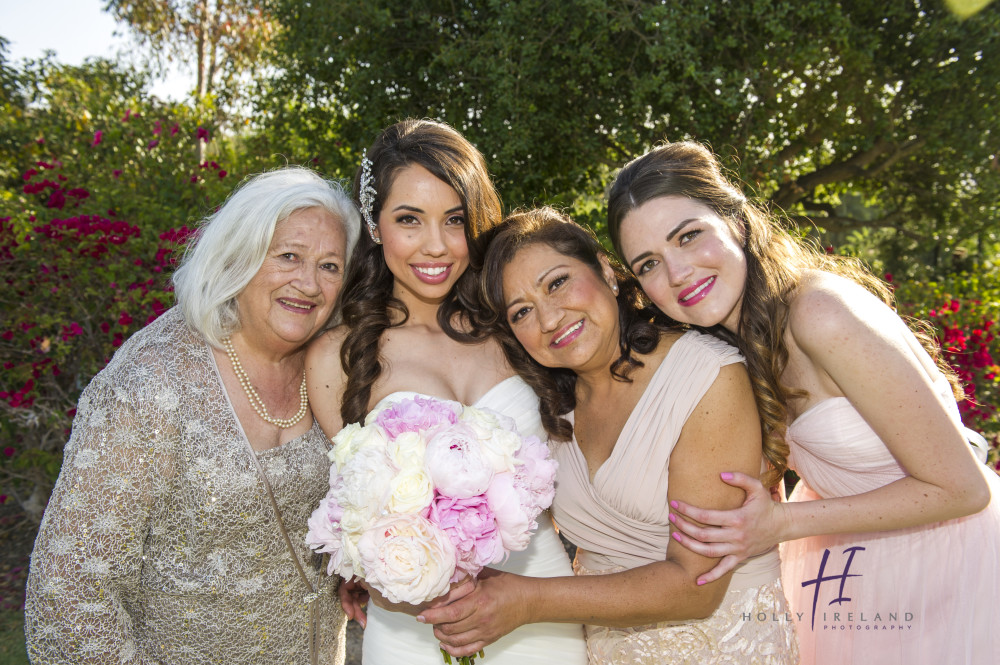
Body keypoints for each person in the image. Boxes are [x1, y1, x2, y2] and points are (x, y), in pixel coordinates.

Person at [605, 141, 1000, 664]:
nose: (676, 273)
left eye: (689, 236)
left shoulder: (818, 313)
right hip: (857, 572)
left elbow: (964, 488)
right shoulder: (730, 346)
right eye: (650, 263)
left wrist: (781, 524)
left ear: (736, 223)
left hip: (953, 567)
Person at [421, 207, 799, 665]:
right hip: (603, 651)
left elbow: (696, 586)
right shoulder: (552, 409)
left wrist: (526, 600)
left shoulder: (706, 377)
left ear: (605, 270)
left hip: (724, 646)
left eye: (557, 283)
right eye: (522, 312)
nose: (548, 318)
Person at [24, 167, 361, 665]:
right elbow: (67, 591)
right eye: (288, 256)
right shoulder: (149, 385)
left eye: (330, 266)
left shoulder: (333, 363)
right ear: (238, 255)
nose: (308, 283)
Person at [305, 120, 588, 665]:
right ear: (375, 225)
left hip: (541, 611)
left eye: (454, 220)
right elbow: (354, 517)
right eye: (409, 219)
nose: (435, 245)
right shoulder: (338, 356)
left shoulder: (519, 326)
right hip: (417, 628)